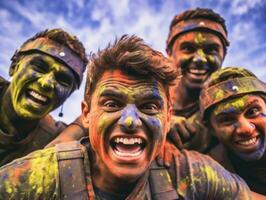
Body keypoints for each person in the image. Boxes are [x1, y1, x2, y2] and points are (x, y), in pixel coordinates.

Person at [0, 35, 254, 200]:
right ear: (87, 113)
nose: (130, 121)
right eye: (112, 103)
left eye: (149, 106)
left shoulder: (187, 172)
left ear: (168, 119)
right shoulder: (42, 173)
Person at [0, 28, 88, 166]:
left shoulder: (54, 136)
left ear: (68, 95)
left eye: (63, 80)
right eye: (39, 67)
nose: (46, 83)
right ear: (14, 66)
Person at [166, 8, 229, 152]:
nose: (200, 59)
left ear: (223, 56)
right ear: (169, 53)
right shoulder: (144, 96)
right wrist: (158, 121)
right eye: (188, 48)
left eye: (211, 49)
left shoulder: (232, 112)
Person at [199, 67, 266, 195]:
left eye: (253, 111)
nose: (246, 129)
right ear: (211, 129)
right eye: (227, 119)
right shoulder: (210, 169)